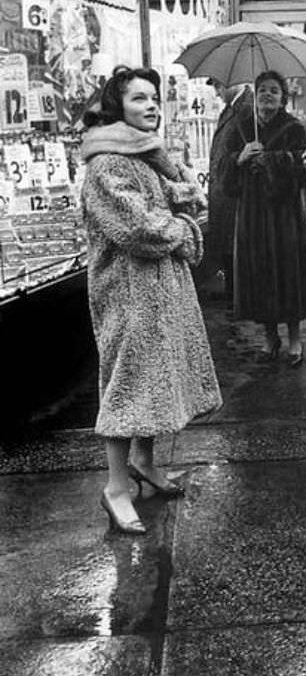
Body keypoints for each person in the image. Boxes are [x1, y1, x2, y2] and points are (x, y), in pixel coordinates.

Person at [81, 65, 222, 534]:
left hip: (159, 290)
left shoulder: (144, 155)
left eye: (154, 98)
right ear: (116, 106)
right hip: (127, 293)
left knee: (155, 380)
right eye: (139, 98)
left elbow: (177, 201)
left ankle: (145, 462)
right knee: (127, 385)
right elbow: (138, 227)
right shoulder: (106, 163)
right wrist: (184, 230)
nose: (152, 106)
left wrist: (173, 173)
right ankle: (116, 487)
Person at [220, 70, 306, 366]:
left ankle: (295, 339)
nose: (267, 95)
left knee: (289, 273)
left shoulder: (293, 129)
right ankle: (269, 337)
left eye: (274, 90)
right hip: (252, 214)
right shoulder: (240, 128)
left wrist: (272, 161)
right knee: (260, 273)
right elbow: (223, 172)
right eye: (262, 90)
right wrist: (240, 158)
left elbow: (302, 168)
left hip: (285, 215)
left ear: (283, 98)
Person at [201, 82, 253, 307]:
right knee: (226, 246)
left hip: (235, 193)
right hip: (224, 191)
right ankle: (233, 293)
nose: (217, 92)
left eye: (219, 86)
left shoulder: (248, 108)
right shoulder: (232, 108)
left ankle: (241, 297)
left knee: (236, 246)